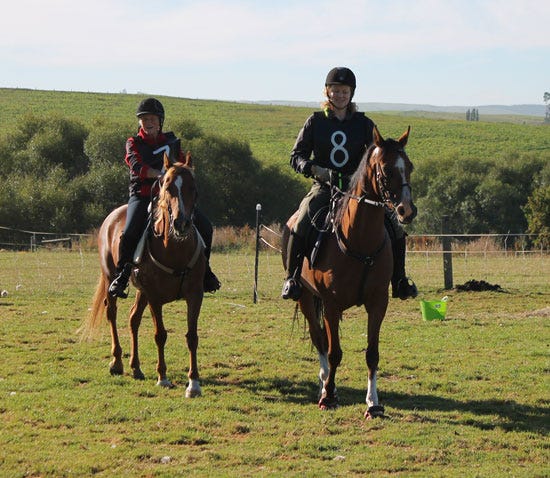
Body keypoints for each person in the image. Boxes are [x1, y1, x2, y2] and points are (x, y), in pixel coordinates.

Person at [281, 67, 417, 301]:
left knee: (394, 227)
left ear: (351, 94)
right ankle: (292, 278)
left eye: (344, 91)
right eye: (335, 91)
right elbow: (296, 156)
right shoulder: (315, 121)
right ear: (327, 92)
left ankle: (400, 280)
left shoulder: (363, 124)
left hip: (358, 192)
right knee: (301, 220)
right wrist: (314, 169)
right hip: (324, 187)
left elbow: (379, 156)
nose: (340, 95)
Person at [108, 97, 221, 298]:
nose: (148, 123)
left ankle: (206, 271)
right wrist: (159, 175)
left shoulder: (172, 142)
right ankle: (122, 275)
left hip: (171, 197)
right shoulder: (133, 143)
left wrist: (185, 172)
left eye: (152, 119)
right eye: (144, 119)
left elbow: (180, 165)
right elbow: (136, 165)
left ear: (160, 121)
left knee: (205, 226)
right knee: (131, 230)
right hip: (143, 195)